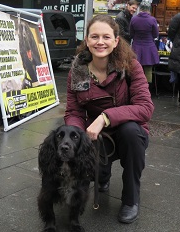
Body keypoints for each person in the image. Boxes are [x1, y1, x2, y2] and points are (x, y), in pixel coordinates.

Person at [64, 14, 154, 223]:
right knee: (79, 140)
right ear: (86, 40)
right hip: (95, 134)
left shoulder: (131, 67)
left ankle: (131, 199)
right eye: (94, 37)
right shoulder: (77, 71)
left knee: (130, 132)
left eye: (106, 37)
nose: (100, 42)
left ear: (116, 41)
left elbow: (145, 108)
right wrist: (77, 135)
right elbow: (73, 112)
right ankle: (101, 176)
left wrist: (105, 117)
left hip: (127, 131)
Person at [130, 1, 159, 83]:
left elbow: (131, 34)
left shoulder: (134, 19)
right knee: (148, 70)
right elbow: (155, 34)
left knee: (136, 69)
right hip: (149, 47)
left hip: (136, 47)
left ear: (140, 9)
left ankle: (136, 87)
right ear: (149, 9)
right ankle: (147, 89)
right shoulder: (152, 19)